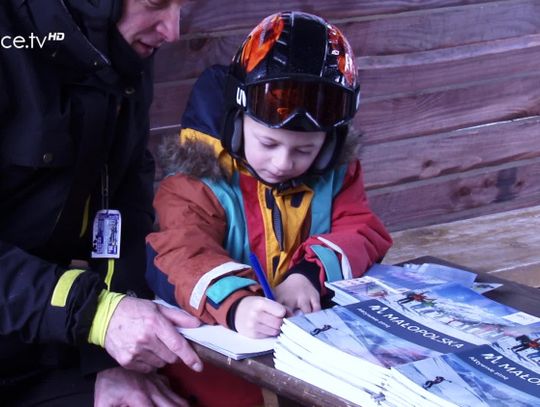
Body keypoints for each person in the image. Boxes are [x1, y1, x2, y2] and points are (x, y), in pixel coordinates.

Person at [145, 10, 392, 406]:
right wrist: (237, 304)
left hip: (307, 350)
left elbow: (360, 228)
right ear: (235, 121)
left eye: (304, 150)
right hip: (214, 356)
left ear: (329, 143)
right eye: (269, 143)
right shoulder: (196, 178)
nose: (282, 163)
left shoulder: (336, 173)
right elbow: (181, 249)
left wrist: (309, 276)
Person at [0, 1, 204, 406]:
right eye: (156, 3)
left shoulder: (119, 53)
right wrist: (95, 315)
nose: (173, 30)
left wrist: (108, 358)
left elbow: (125, 202)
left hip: (39, 346)